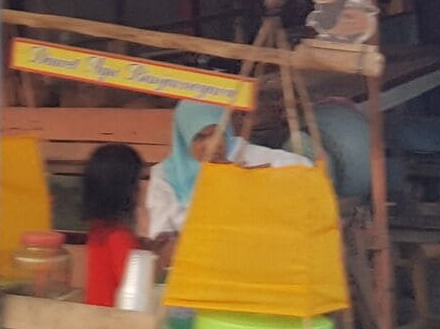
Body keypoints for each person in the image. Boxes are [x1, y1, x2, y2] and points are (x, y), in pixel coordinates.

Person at [144, 99, 312, 248]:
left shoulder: (245, 155)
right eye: (200, 137)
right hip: (194, 263)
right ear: (184, 137)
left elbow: (306, 169)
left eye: (218, 134)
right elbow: (160, 234)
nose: (212, 145)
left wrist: (252, 179)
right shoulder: (166, 175)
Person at [78, 143, 144, 307]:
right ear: (128, 188)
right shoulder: (119, 236)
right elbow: (137, 291)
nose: (141, 187)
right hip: (114, 324)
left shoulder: (98, 230)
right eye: (138, 180)